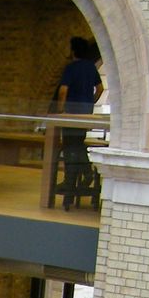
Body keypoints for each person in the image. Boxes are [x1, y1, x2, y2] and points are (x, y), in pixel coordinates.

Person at [55, 37, 104, 210]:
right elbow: (100, 88)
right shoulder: (90, 67)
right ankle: (85, 173)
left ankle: (71, 182)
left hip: (71, 114)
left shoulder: (71, 68)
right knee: (77, 144)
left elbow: (63, 90)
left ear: (73, 51)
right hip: (85, 114)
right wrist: (90, 102)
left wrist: (61, 110)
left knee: (69, 147)